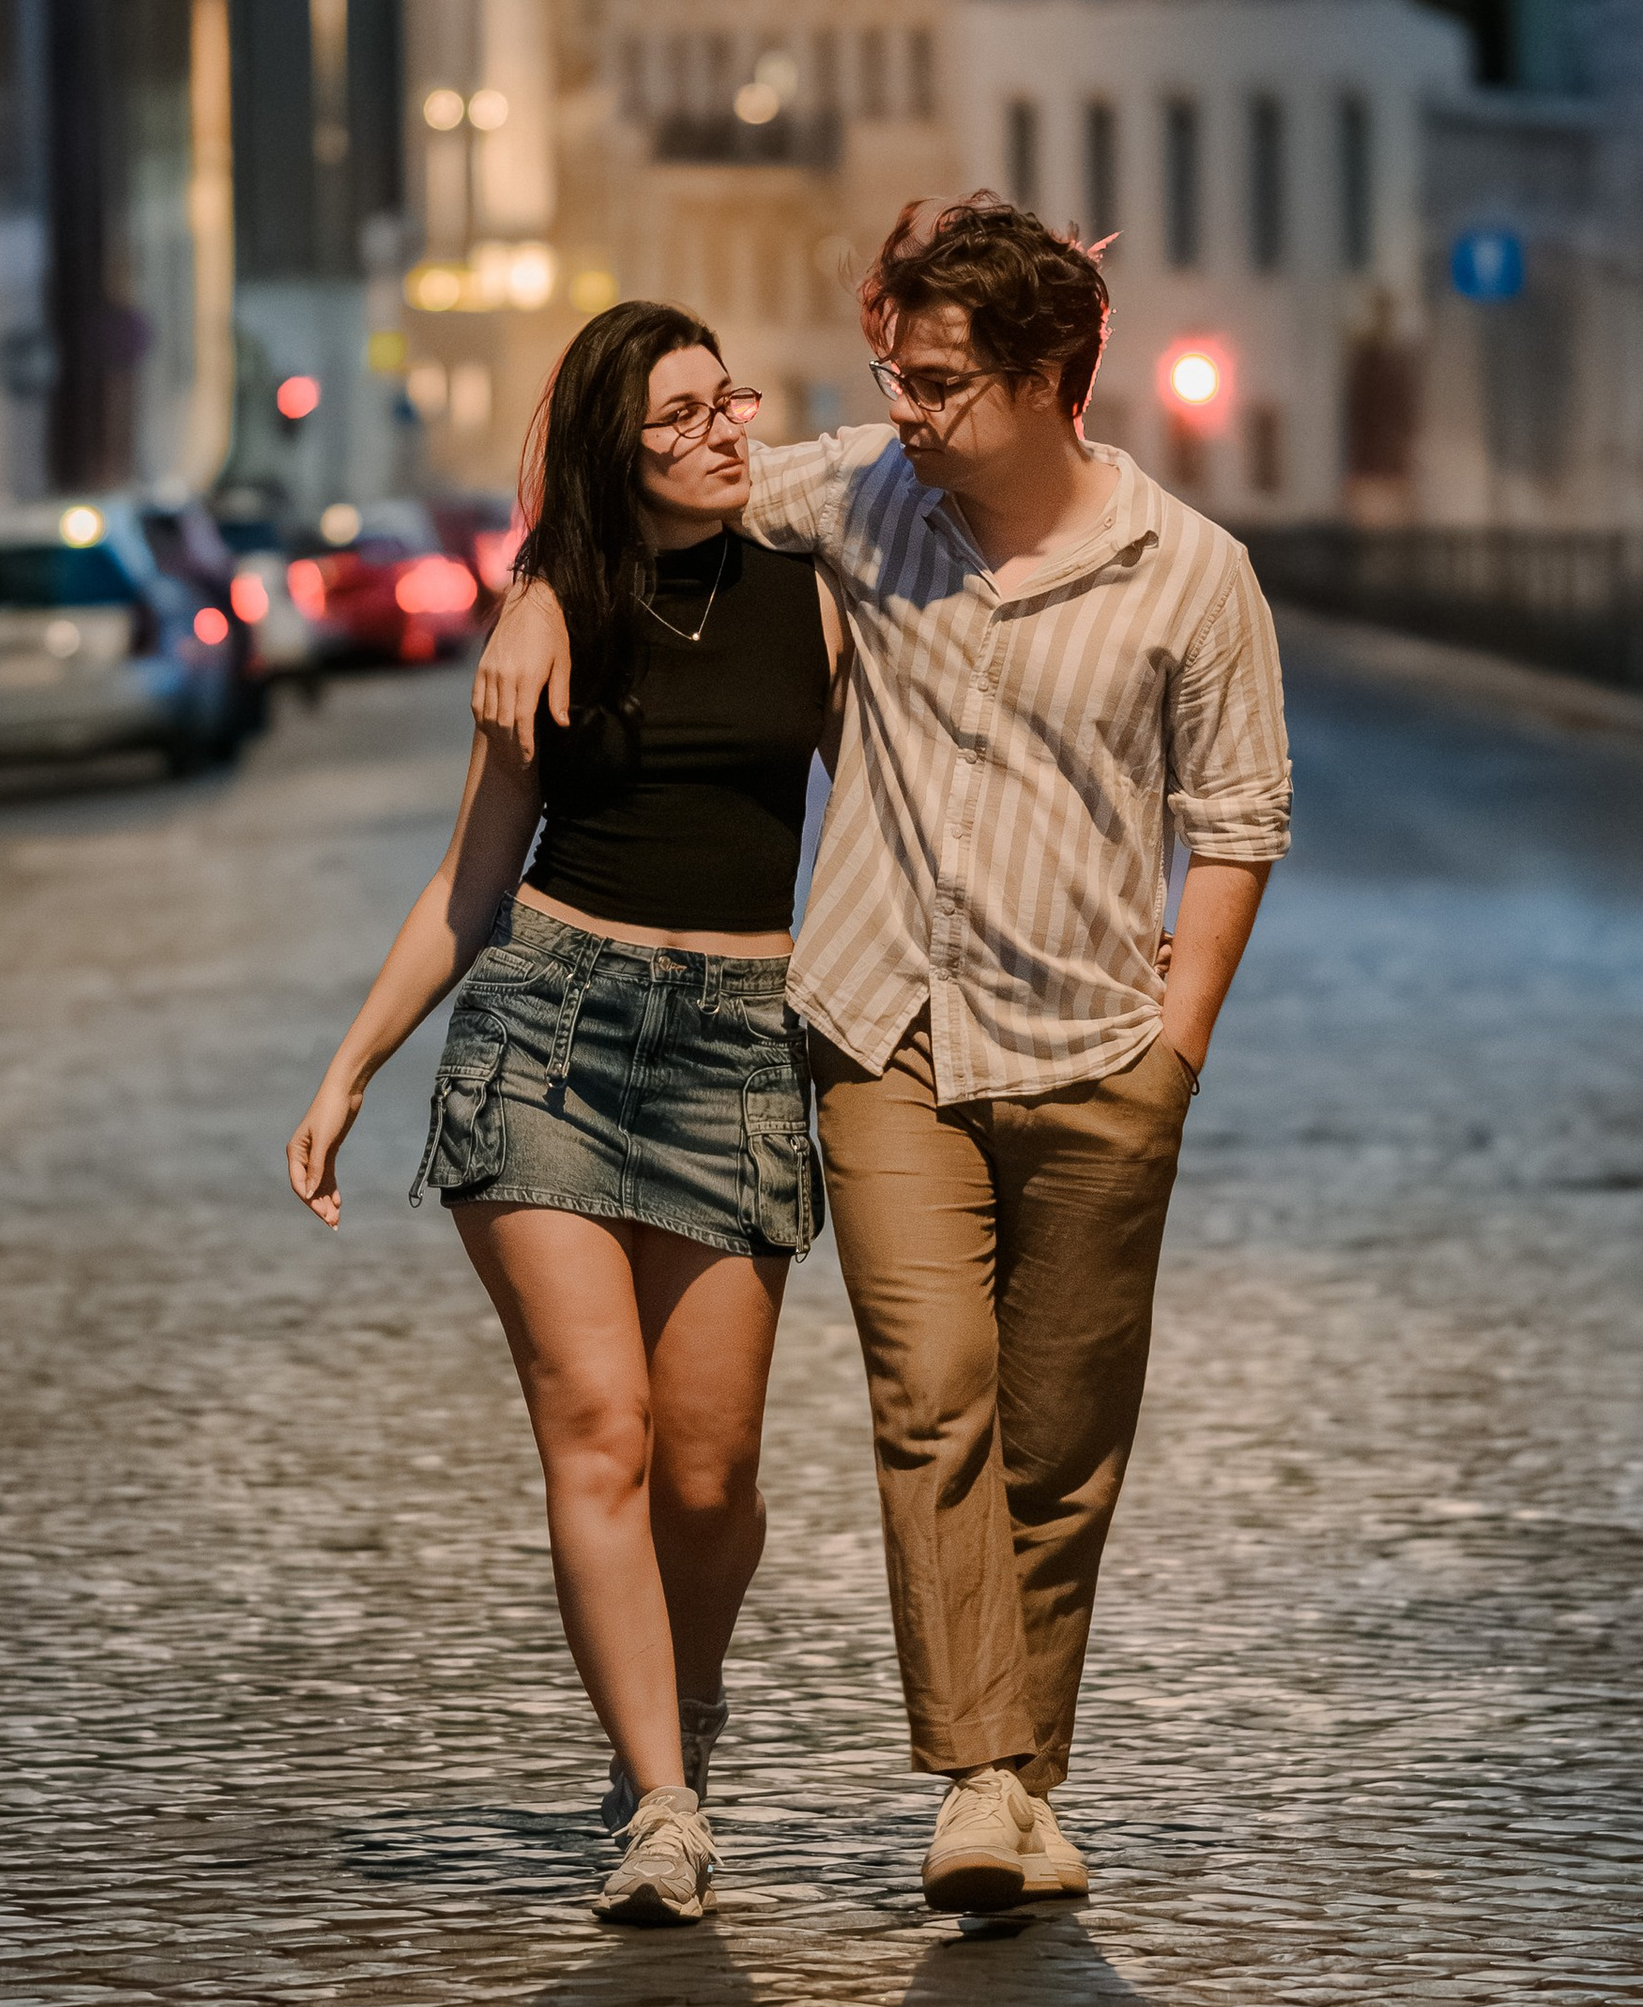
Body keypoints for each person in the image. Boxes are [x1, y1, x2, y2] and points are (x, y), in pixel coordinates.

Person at [477, 198, 1290, 1915]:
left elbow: (1237, 825)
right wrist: (537, 590)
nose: (904, 411)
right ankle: (977, 1782)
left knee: (1064, 1441)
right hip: (881, 1034)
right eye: (893, 376)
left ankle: (1024, 1767)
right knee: (935, 1402)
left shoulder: (1194, 577)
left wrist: (1180, 1041)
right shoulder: (862, 494)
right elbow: (651, 492)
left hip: (1092, 1045)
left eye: (937, 384)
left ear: (1051, 378)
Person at [288, 302, 844, 1929]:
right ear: (616, 450)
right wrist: (351, 1067)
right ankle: (662, 1801)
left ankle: (683, 1698)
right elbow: (471, 882)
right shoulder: (561, 619)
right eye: (678, 418)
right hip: (548, 1028)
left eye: (728, 401)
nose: (724, 431)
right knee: (598, 1430)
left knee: (710, 1476)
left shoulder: (815, 597)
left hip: (738, 1046)